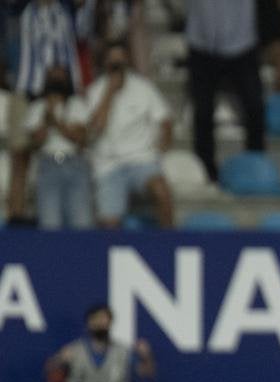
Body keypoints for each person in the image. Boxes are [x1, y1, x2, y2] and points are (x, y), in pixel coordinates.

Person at [8, 0, 83, 225]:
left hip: (61, 89)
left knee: (70, 142)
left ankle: (63, 210)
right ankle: (16, 215)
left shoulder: (65, 9)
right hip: (27, 87)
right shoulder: (20, 9)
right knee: (19, 154)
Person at [85, 41, 174, 228]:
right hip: (108, 165)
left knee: (162, 192)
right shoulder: (95, 91)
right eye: (113, 64)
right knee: (109, 223)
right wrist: (109, 92)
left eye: (121, 63)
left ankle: (169, 243)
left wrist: (162, 146)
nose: (117, 68)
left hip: (141, 159)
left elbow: (164, 120)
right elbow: (97, 128)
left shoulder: (143, 88)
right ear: (105, 65)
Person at [185, 0, 267, 181]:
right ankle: (205, 168)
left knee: (255, 106)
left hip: (242, 42)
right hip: (202, 44)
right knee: (203, 111)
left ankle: (255, 163)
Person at [24, 64, 93, 229]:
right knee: (50, 224)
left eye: (60, 78)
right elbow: (35, 142)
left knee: (81, 224)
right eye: (53, 78)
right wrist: (47, 119)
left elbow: (80, 138)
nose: (56, 82)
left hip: (75, 164)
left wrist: (56, 121)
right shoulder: (37, 107)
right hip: (48, 165)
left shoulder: (77, 104)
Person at [44, 303, 156, 382]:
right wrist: (59, 360)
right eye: (95, 319)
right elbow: (51, 377)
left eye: (103, 319)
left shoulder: (123, 351)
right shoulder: (74, 350)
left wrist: (146, 357)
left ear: (110, 322)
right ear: (88, 323)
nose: (100, 323)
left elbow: (146, 374)